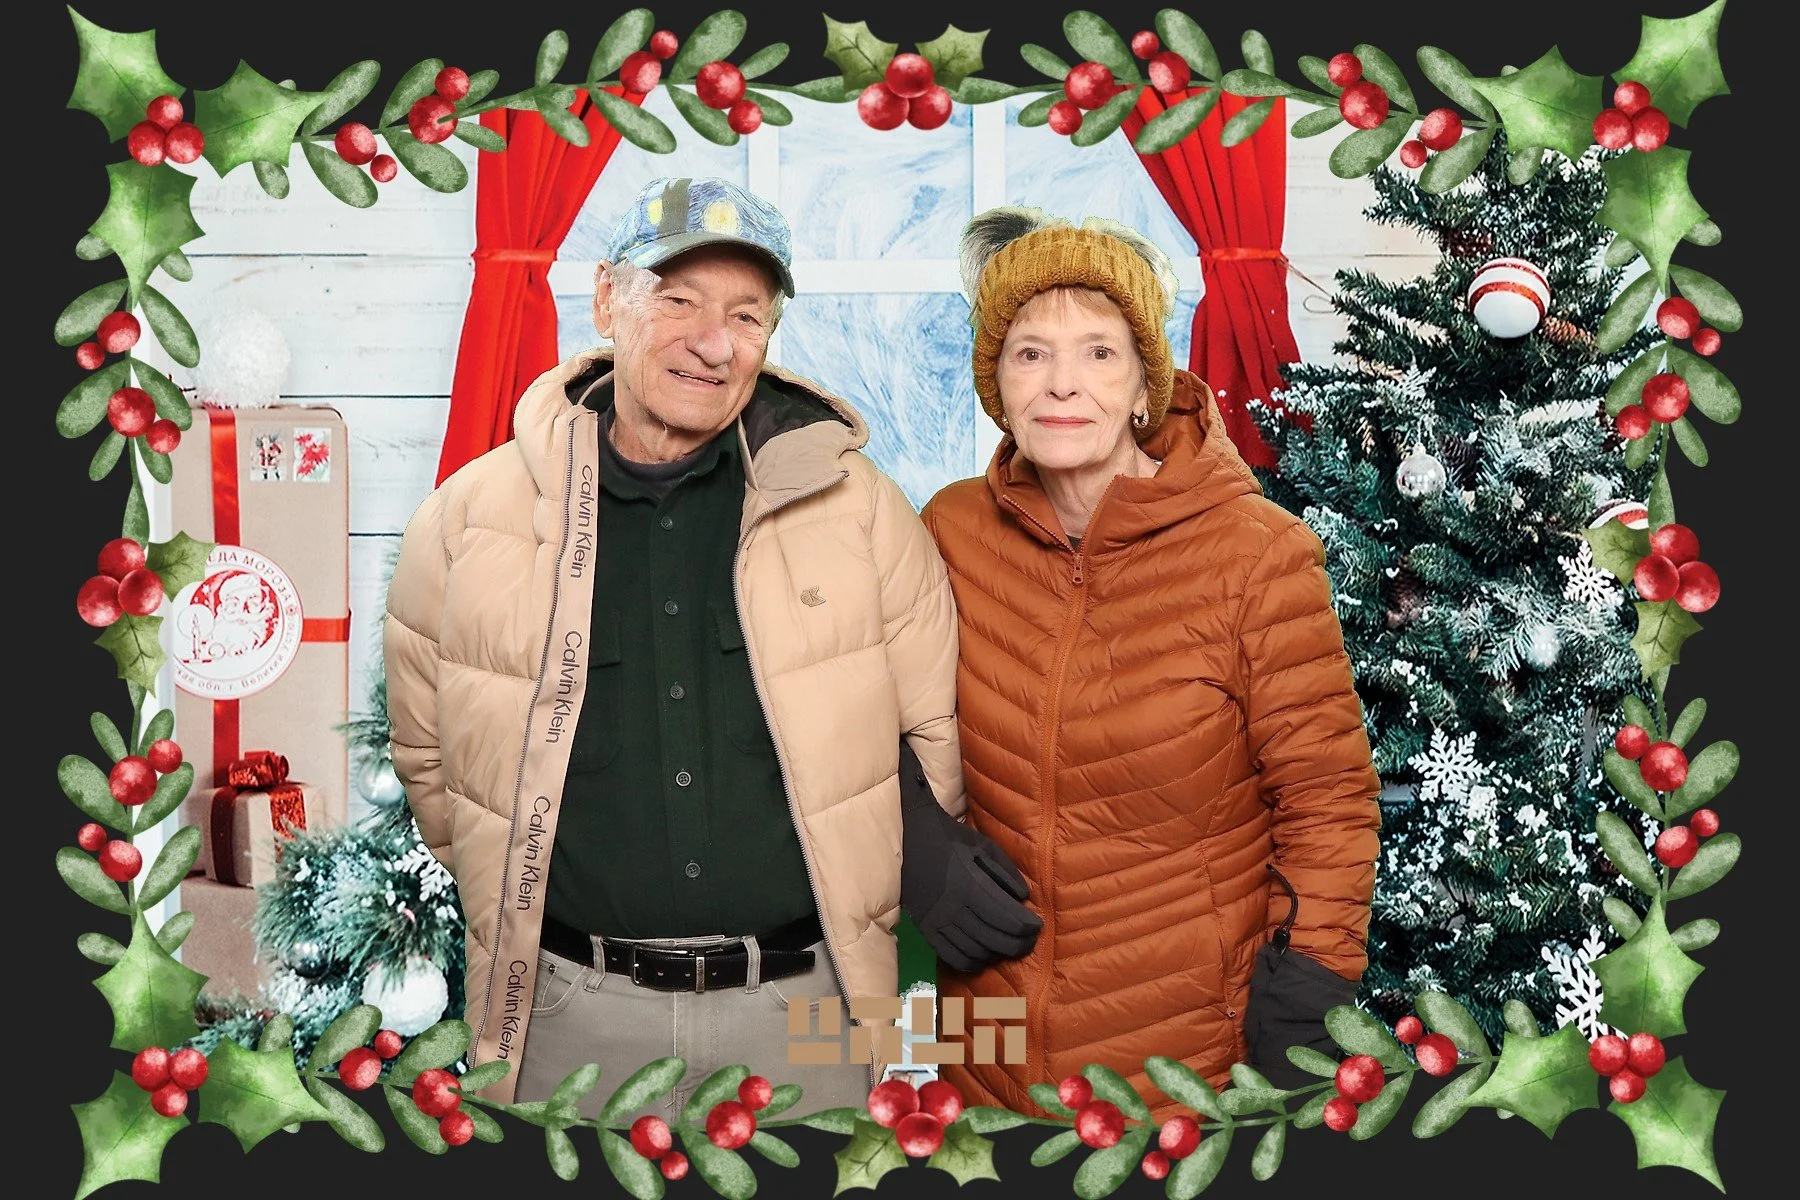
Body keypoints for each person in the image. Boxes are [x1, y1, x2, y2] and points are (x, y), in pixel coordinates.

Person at [383, 177, 1034, 1117]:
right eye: (677, 300)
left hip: (805, 1009)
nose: (713, 342)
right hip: (573, 1013)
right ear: (608, 297)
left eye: (746, 315)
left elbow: (929, 735)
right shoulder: (468, 522)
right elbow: (434, 767)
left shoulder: (860, 511)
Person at [921, 208, 1382, 1119]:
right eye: (1029, 354)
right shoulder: (952, 529)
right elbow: (870, 715)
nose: (1062, 384)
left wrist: (1310, 988)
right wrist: (920, 853)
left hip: (1185, 1057)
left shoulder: (1257, 554)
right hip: (986, 1047)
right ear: (996, 383)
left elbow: (1327, 800)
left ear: (1144, 384)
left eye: (1098, 352)